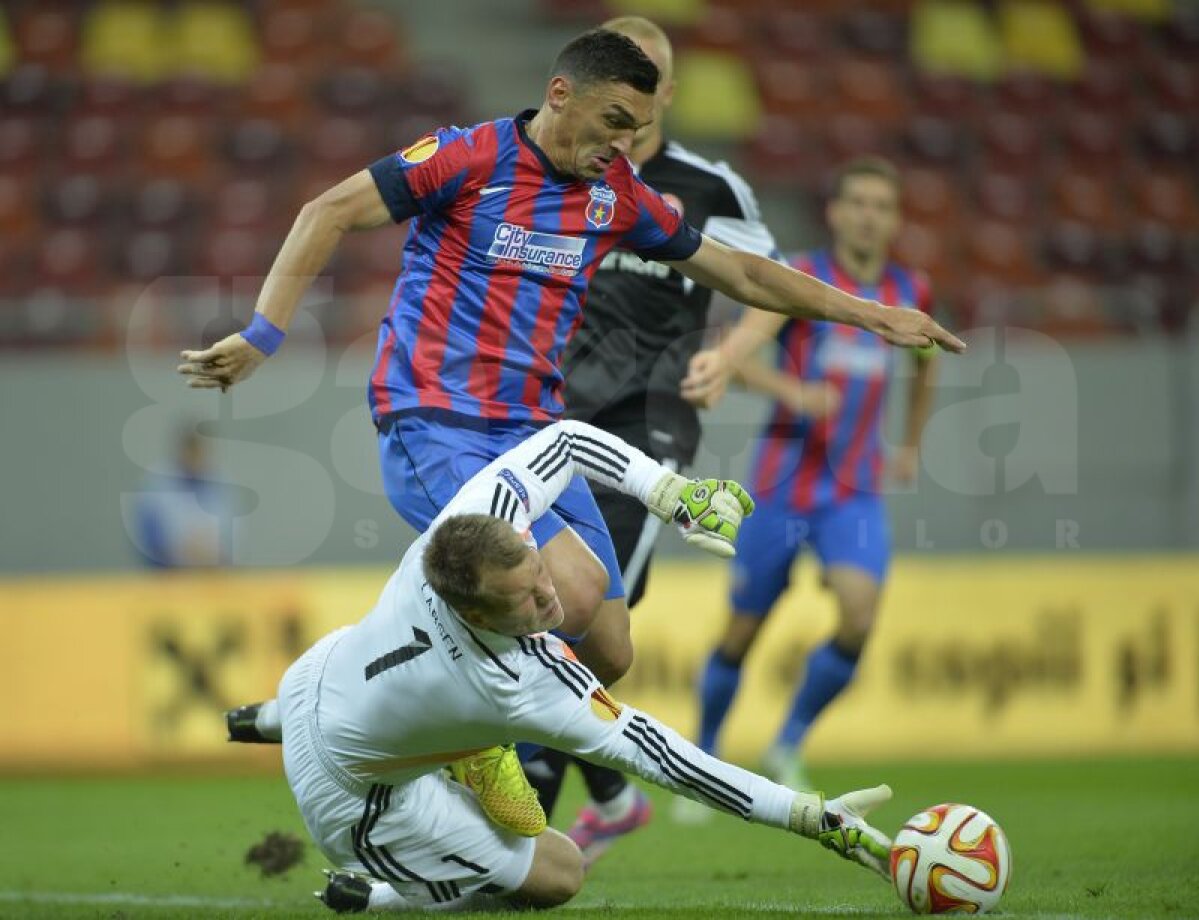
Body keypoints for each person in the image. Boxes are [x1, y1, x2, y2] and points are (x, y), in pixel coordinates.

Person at [177, 29, 964, 699]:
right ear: (561, 94)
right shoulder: (467, 157)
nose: (624, 145)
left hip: (535, 435)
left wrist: (873, 312)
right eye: (614, 121)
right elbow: (329, 212)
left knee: (611, 652)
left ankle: (434, 744)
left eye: (640, 129)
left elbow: (745, 274)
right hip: (435, 420)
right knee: (570, 592)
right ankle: (367, 712)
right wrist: (262, 336)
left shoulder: (617, 196)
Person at [247, 419, 894, 912]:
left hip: (315, 676)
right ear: (476, 616)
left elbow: (562, 440)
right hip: (352, 799)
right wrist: (814, 818)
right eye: (525, 601)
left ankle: (391, 739)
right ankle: (382, 894)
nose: (549, 595)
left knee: (395, 701)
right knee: (560, 874)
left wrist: (670, 493)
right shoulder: (521, 686)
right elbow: (668, 760)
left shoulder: (474, 519)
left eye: (537, 571)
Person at [524, 16, 782, 868]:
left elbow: (766, 285)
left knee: (574, 614)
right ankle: (610, 794)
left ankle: (522, 833)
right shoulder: (557, 171)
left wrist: (729, 353)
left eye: (652, 76)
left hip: (653, 417)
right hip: (549, 415)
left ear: (666, 91)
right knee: (553, 618)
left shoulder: (707, 188)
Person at [678, 157, 938, 800]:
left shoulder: (912, 293)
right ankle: (705, 757)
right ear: (836, 211)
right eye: (858, 202)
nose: (869, 215)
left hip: (852, 490)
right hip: (782, 484)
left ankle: (787, 741)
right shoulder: (803, 278)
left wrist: (908, 443)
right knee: (742, 632)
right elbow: (738, 355)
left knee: (859, 615)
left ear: (895, 219)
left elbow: (927, 366)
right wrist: (791, 389)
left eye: (882, 205)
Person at [131, 425, 234, 568]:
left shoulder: (217, 481)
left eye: (201, 451)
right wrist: (184, 550)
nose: (196, 457)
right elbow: (150, 541)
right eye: (192, 451)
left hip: (211, 577)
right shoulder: (156, 484)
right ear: (182, 450)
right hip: (166, 578)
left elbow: (230, 537)